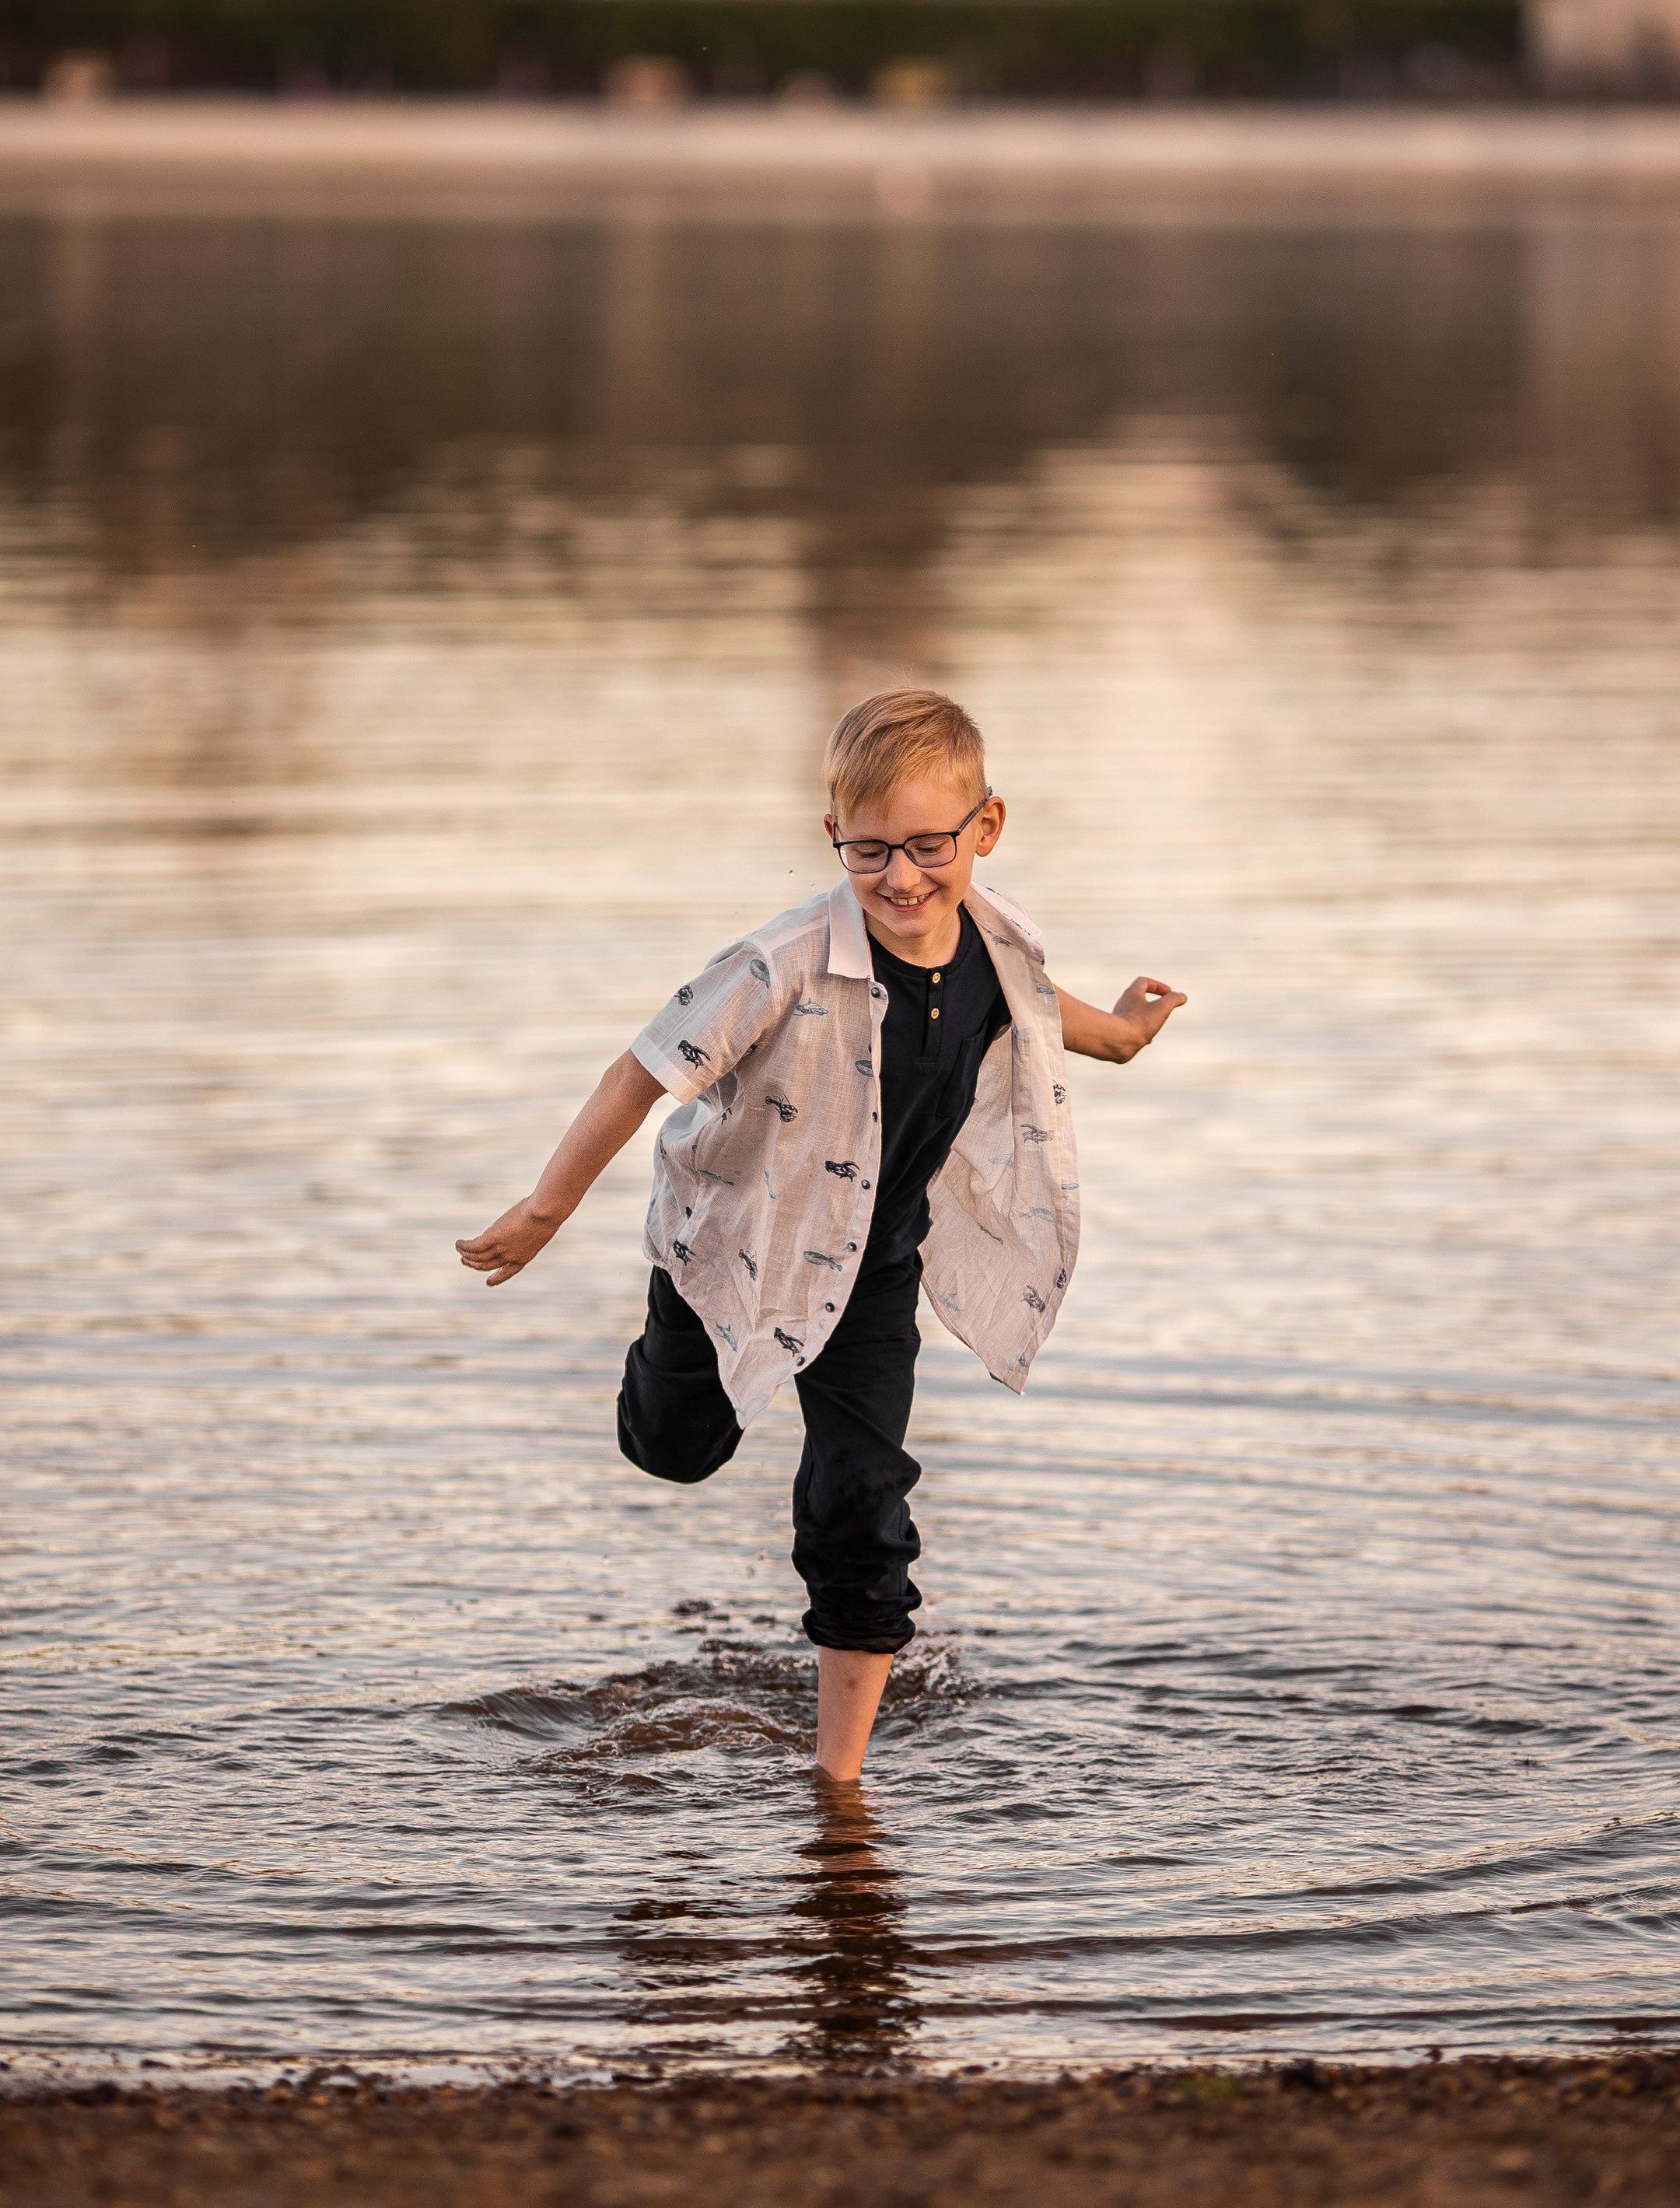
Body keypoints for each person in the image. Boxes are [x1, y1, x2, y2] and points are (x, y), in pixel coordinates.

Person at [456, 688, 1184, 1783]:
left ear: (986, 829)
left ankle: (837, 1787)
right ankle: (669, 1353)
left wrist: (1125, 1034)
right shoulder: (778, 962)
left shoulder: (998, 949)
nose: (901, 876)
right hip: (737, 1255)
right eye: (870, 850)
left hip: (873, 1268)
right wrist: (545, 1212)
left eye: (930, 845)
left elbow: (1041, 1013)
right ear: (832, 837)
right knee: (674, 1450)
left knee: (863, 1509)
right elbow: (639, 1073)